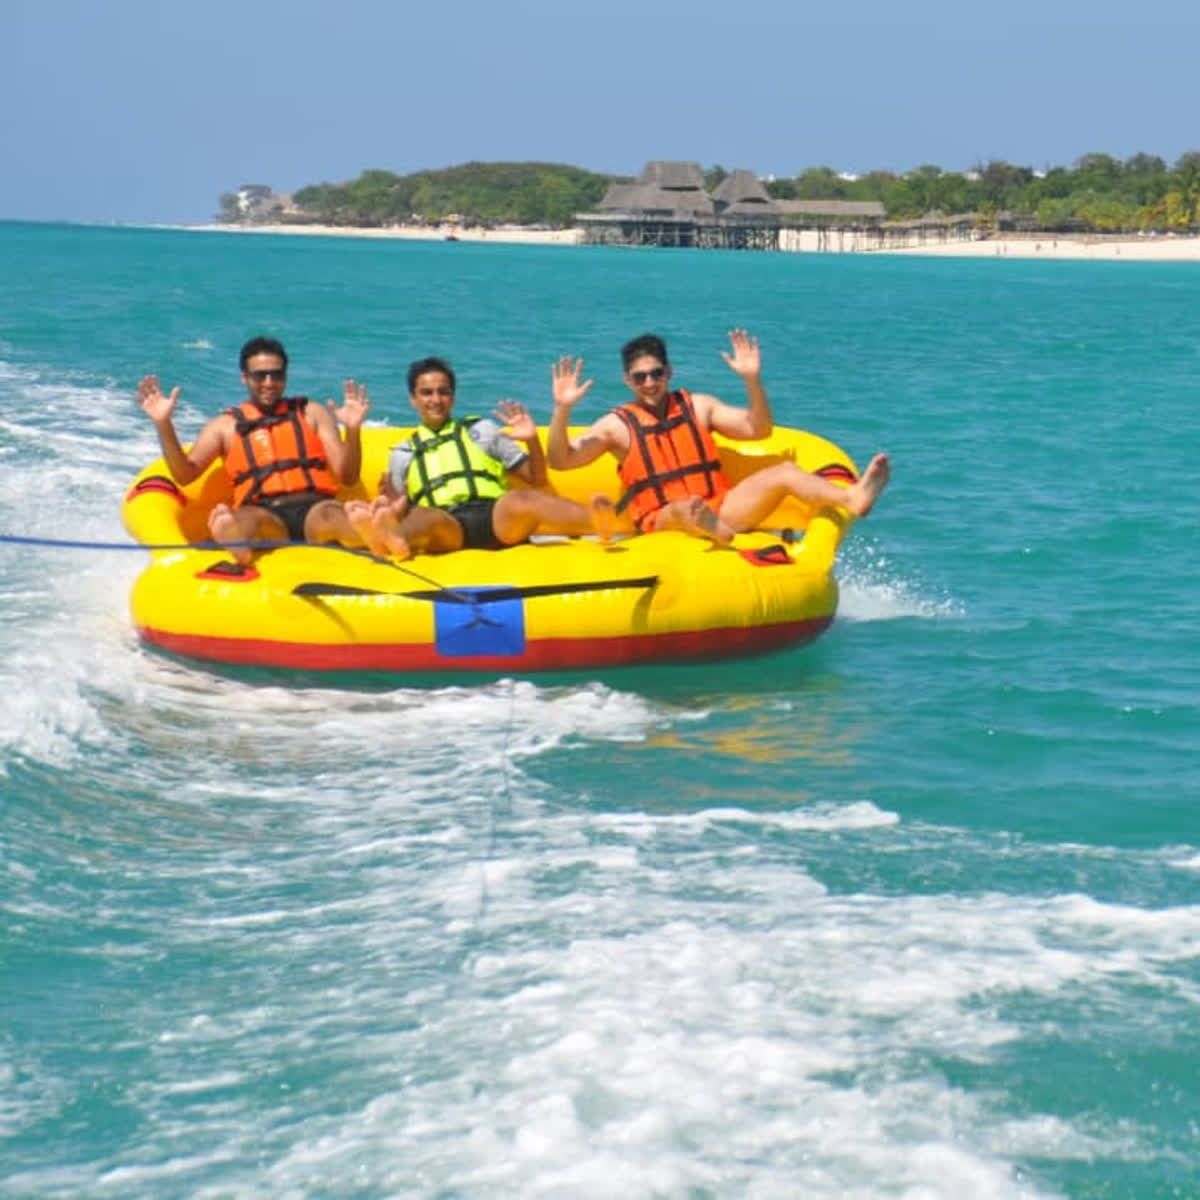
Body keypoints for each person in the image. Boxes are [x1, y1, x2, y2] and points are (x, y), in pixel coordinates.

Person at [546, 329, 890, 543]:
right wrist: (562, 409)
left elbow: (758, 429)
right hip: (664, 520)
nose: (650, 383)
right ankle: (713, 530)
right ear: (627, 381)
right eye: (640, 377)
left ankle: (852, 499)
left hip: (720, 508)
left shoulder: (699, 406)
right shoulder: (616, 426)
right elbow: (561, 461)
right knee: (684, 509)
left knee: (784, 473)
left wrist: (751, 379)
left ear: (669, 372)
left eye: (656, 373)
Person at [347, 356, 613, 559]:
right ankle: (391, 540)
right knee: (425, 517)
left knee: (521, 499)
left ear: (453, 397)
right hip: (448, 526)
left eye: (443, 392)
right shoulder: (402, 453)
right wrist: (388, 505)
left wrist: (532, 440)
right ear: (413, 399)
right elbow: (399, 509)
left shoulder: (482, 430)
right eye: (426, 393)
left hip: (496, 519)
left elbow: (537, 478)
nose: (436, 399)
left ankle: (598, 521)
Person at [137, 336, 371, 565]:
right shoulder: (224, 426)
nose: (269, 382)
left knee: (331, 515)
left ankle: (369, 531)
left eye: (276, 374)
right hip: (264, 513)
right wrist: (163, 424)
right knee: (247, 520)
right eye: (260, 375)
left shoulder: (312, 413)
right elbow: (184, 475)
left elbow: (348, 476)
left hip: (316, 508)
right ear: (245, 378)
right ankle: (235, 539)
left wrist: (352, 429)